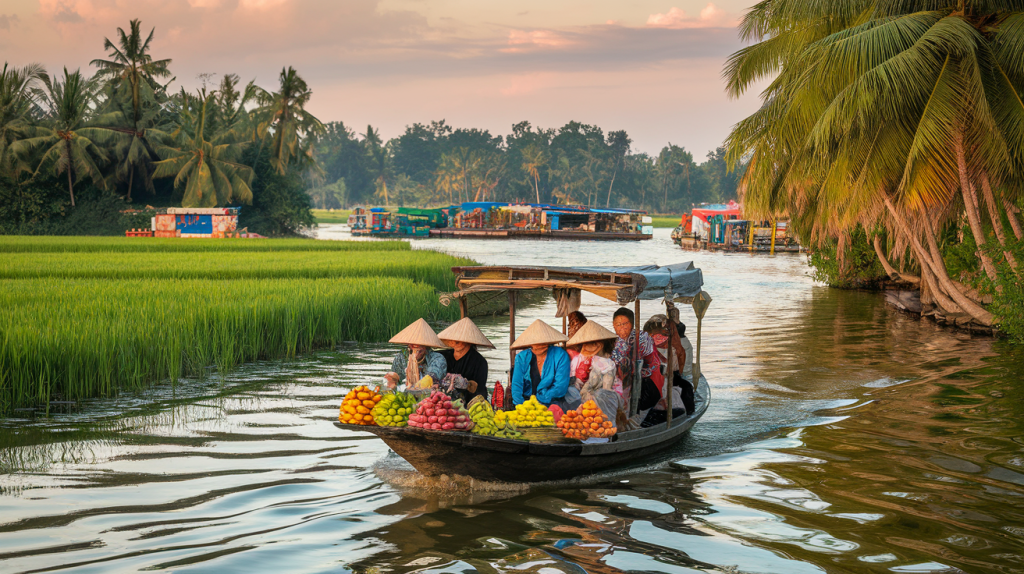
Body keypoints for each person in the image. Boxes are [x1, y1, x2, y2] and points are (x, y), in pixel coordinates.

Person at [510, 319, 574, 408]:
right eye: (535, 342)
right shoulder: (521, 358)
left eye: (542, 341)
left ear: (548, 342)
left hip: (552, 403)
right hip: (527, 403)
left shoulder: (560, 355)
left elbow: (560, 387)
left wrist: (539, 401)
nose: (538, 345)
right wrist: (522, 407)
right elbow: (517, 385)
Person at [611, 307, 663, 414]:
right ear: (614, 325)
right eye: (618, 324)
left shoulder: (643, 337)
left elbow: (648, 360)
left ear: (632, 324)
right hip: (622, 379)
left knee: (638, 404)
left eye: (625, 323)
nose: (622, 327)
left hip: (646, 379)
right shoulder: (614, 341)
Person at [566, 320, 624, 413]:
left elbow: (606, 391)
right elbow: (589, 383)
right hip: (592, 393)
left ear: (598, 345)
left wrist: (591, 396)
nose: (584, 348)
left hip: (607, 398)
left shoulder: (608, 365)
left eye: (587, 344)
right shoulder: (594, 361)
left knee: (599, 395)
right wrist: (585, 391)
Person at [436, 317, 493, 404]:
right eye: (453, 339)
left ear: (468, 341)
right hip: (442, 402)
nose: (455, 342)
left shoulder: (480, 362)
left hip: (468, 404)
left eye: (460, 340)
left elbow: (479, 391)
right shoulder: (441, 356)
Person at [384, 318, 448, 390]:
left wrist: (415, 387)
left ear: (426, 345)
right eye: (412, 344)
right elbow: (396, 381)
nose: (415, 347)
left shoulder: (437, 358)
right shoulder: (401, 357)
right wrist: (393, 380)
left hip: (428, 393)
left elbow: (433, 375)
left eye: (419, 344)